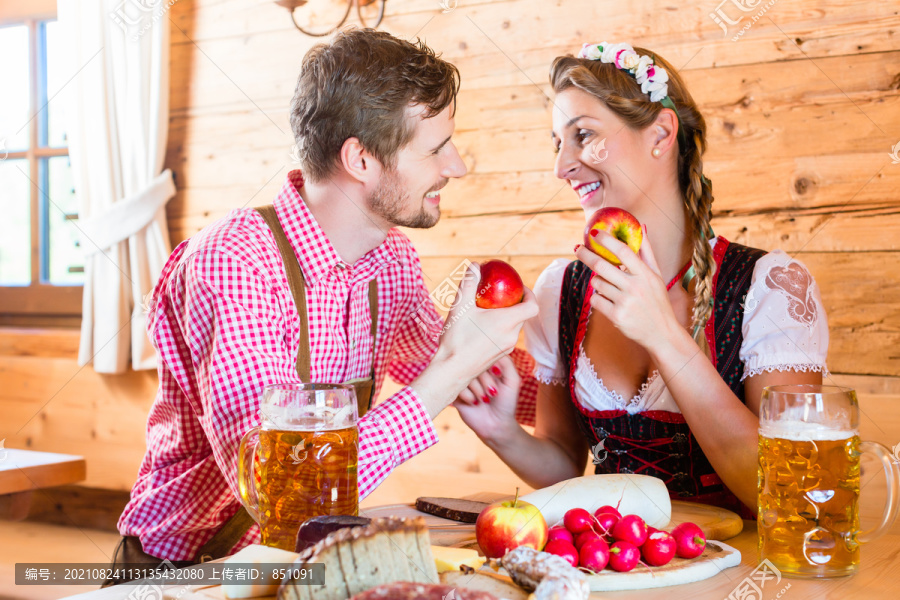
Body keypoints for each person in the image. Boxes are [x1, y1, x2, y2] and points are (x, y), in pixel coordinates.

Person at [109, 28, 538, 573]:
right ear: (360, 159)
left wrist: (612, 394)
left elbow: (472, 372)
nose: (457, 166)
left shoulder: (391, 262)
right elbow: (281, 494)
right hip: (184, 573)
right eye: (435, 149)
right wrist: (451, 371)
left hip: (295, 562)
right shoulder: (234, 262)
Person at [455, 42, 829, 516]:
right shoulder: (563, 291)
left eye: (583, 135)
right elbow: (566, 465)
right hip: (614, 572)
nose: (561, 166)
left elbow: (787, 493)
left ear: (660, 133)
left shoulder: (769, 288)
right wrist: (502, 432)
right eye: (557, 143)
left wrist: (662, 336)